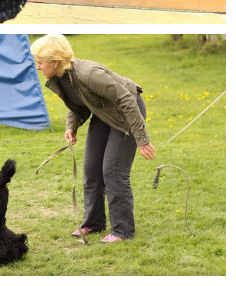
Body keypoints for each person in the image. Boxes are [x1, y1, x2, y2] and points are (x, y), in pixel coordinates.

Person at [31, 34, 154, 242]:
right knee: (91, 169)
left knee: (113, 171)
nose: (38, 67)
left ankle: (122, 231)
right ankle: (93, 223)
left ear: (55, 62)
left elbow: (126, 99)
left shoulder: (90, 74)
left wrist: (142, 139)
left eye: (40, 63)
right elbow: (77, 103)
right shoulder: (61, 76)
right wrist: (72, 127)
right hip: (103, 113)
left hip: (126, 111)